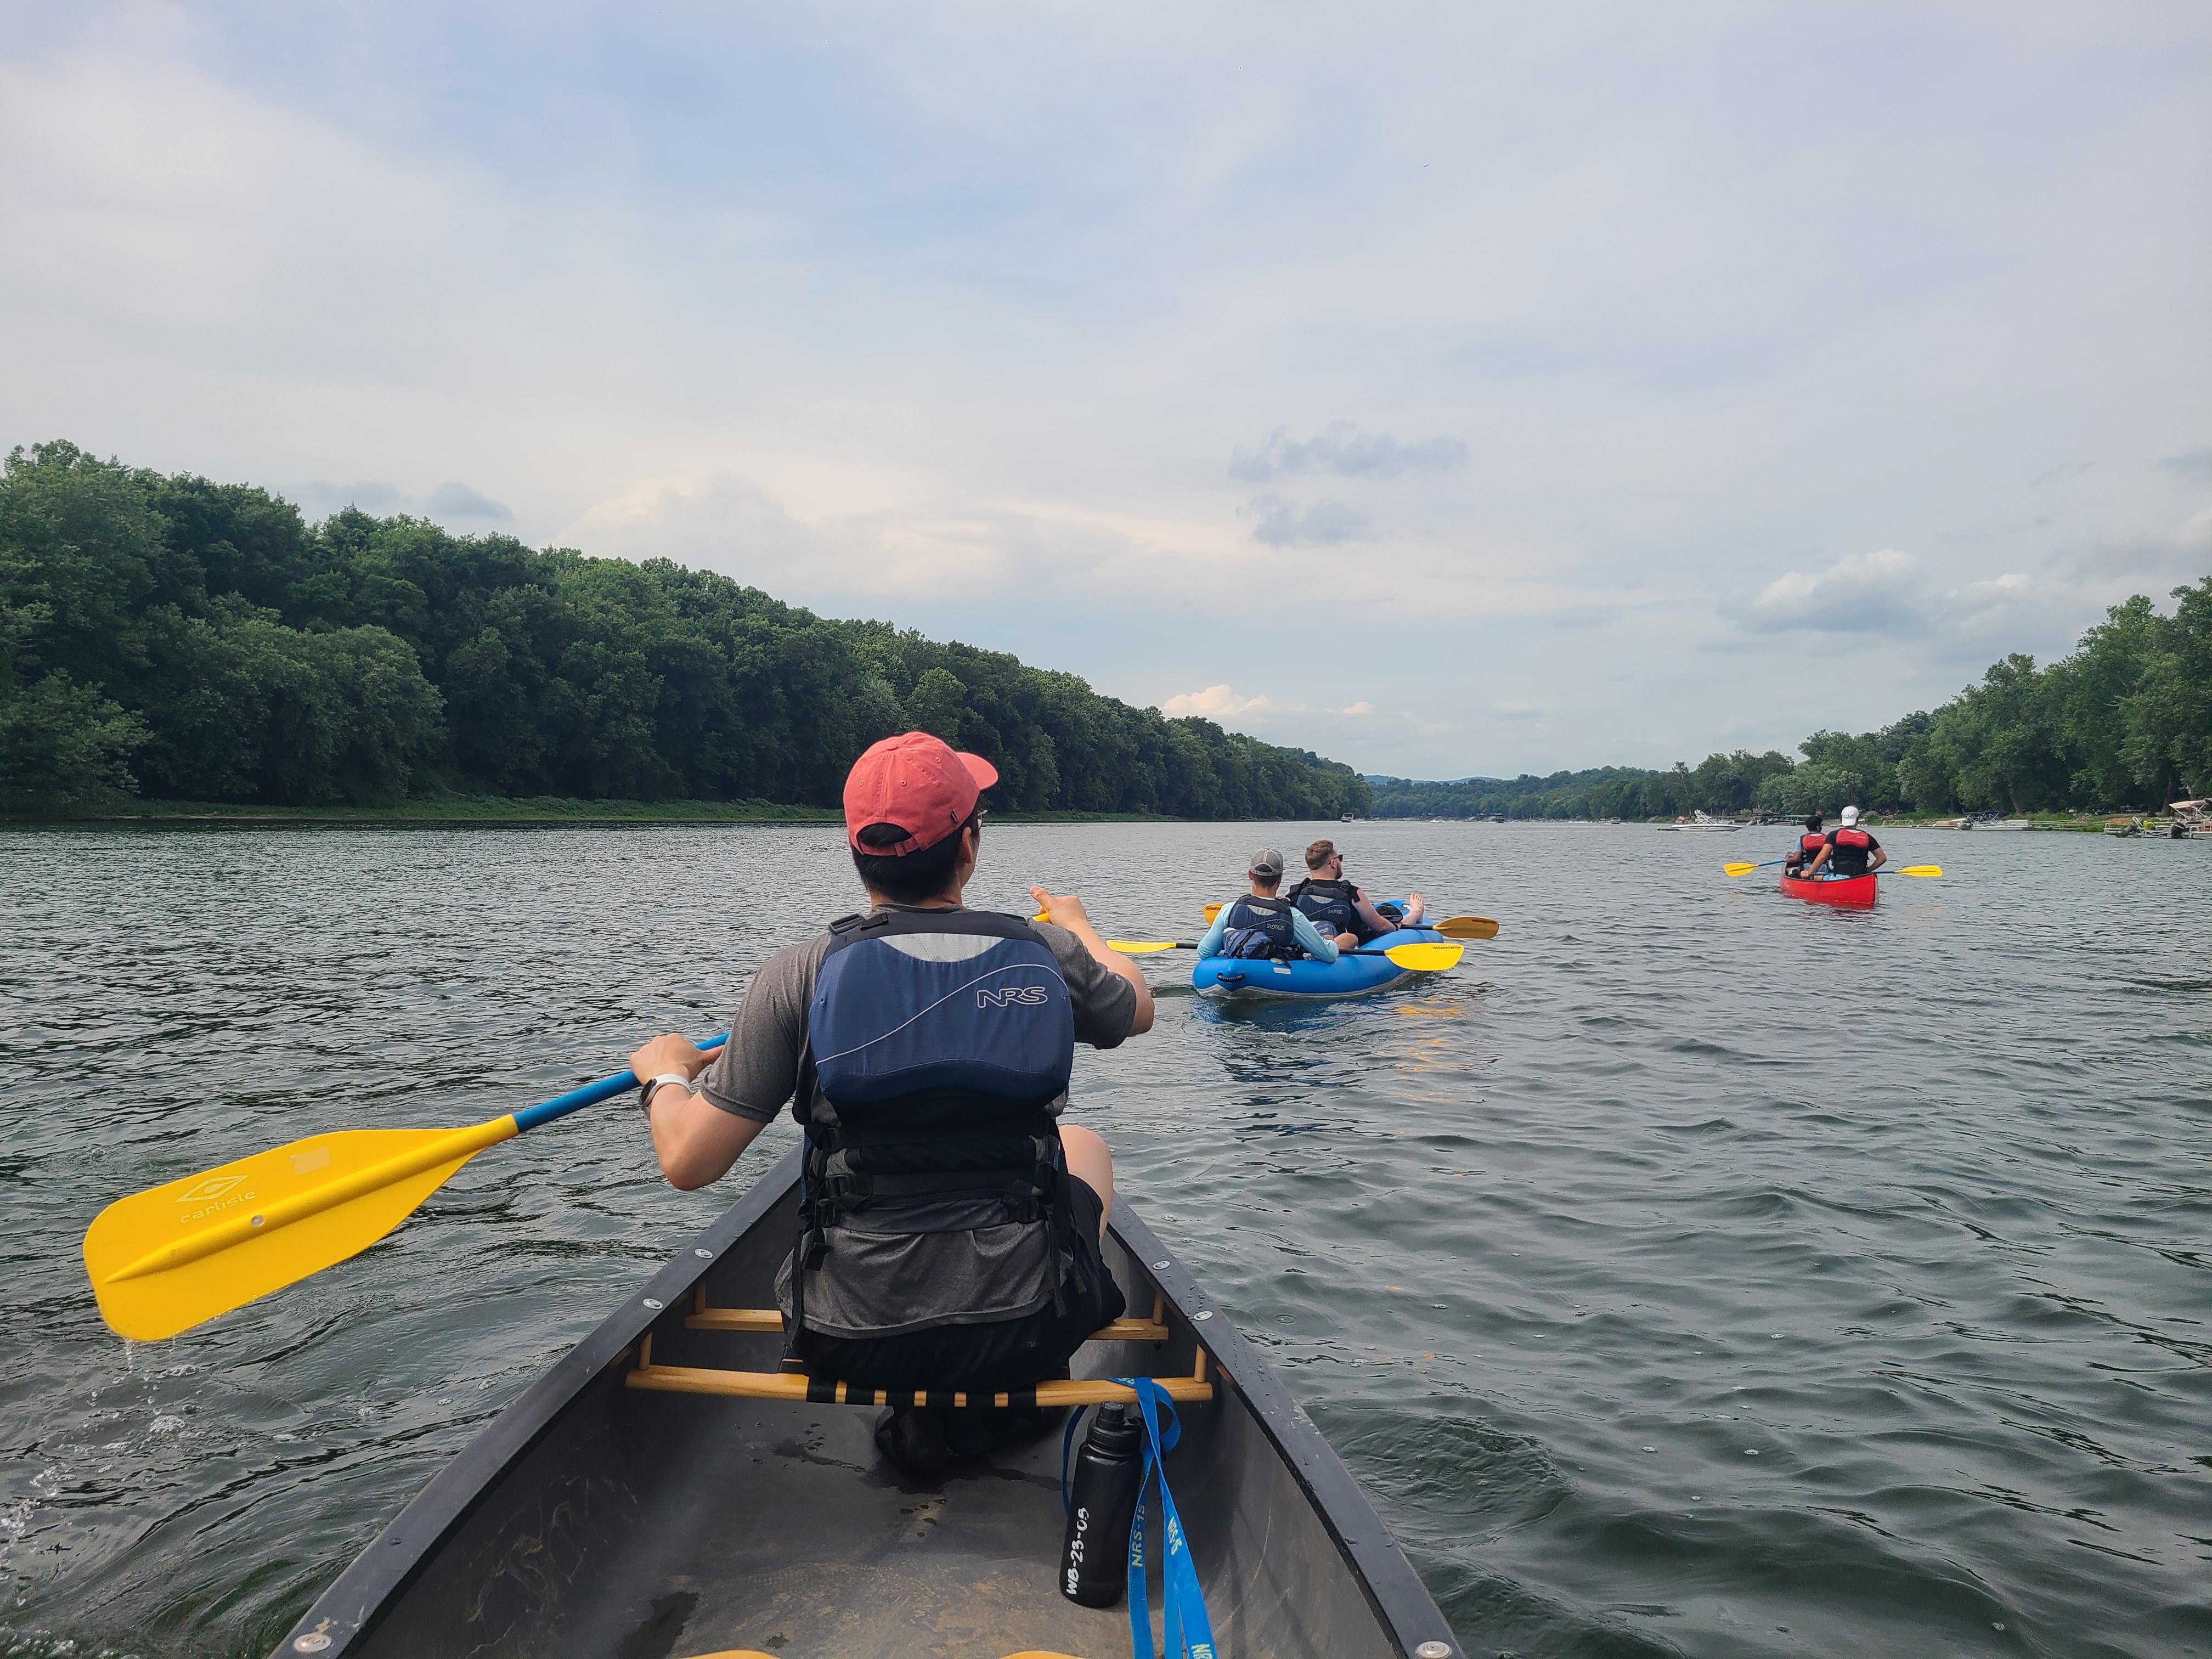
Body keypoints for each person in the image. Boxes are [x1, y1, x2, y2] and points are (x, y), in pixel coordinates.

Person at [625, 731, 1154, 1471]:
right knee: (1085, 1147)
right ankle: (1012, 1378)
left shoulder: (796, 974)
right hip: (1024, 1323)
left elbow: (687, 1160)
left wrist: (665, 1075)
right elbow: (1136, 1008)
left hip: (847, 1333)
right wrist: (1079, 928)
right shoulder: (1049, 957)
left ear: (856, 852)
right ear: (969, 845)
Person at [1195, 848, 1342, 963]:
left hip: (1241, 968)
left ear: (1250, 875)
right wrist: (1330, 942)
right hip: (1279, 973)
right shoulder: (1293, 916)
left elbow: (1204, 951)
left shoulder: (1229, 910)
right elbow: (1328, 955)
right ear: (1280, 878)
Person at [1286, 839, 1424, 947]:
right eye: (1339, 858)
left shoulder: (1295, 892)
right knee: (1392, 922)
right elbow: (1381, 927)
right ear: (1334, 863)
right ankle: (1416, 912)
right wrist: (1396, 926)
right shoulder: (1352, 893)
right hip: (1348, 947)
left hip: (1309, 945)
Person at [1802, 804, 1887, 879]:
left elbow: (1822, 857)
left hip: (1839, 877)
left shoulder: (1833, 835)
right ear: (1857, 820)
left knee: (1815, 877)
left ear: (1842, 819)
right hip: (1860, 876)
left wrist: (1809, 873)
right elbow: (1882, 858)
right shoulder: (1868, 838)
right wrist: (1868, 870)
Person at [1784, 812, 1826, 877]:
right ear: (1818, 827)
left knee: (1788, 869)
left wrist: (1786, 860)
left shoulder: (1801, 839)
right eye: (1821, 825)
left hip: (1806, 870)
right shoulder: (1827, 838)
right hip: (1823, 869)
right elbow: (1828, 857)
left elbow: (1796, 859)